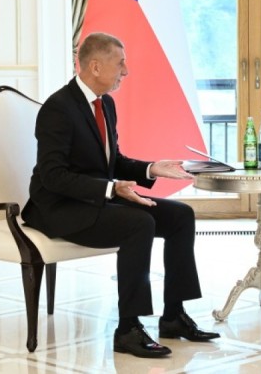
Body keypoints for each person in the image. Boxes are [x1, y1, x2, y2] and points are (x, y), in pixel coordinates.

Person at [21, 32, 219, 359]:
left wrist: (152, 169)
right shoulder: (58, 109)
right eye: (120, 64)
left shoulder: (106, 104)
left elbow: (112, 161)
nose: (126, 71)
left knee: (180, 216)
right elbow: (53, 177)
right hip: (60, 208)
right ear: (95, 67)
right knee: (138, 224)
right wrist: (111, 188)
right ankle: (128, 328)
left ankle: (173, 316)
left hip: (96, 197)